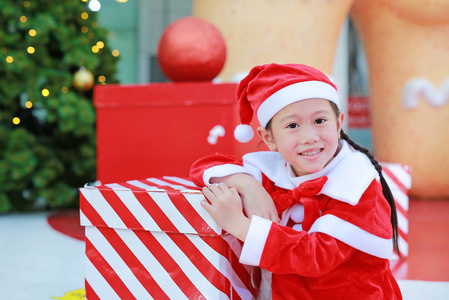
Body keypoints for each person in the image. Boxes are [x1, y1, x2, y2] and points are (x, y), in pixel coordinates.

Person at [190, 63, 403, 299]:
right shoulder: (273, 171)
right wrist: (248, 186)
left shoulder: (356, 184)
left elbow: (315, 256)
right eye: (292, 125)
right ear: (268, 138)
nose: (309, 137)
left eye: (320, 121)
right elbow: (202, 167)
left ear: (339, 123)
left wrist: (240, 226)